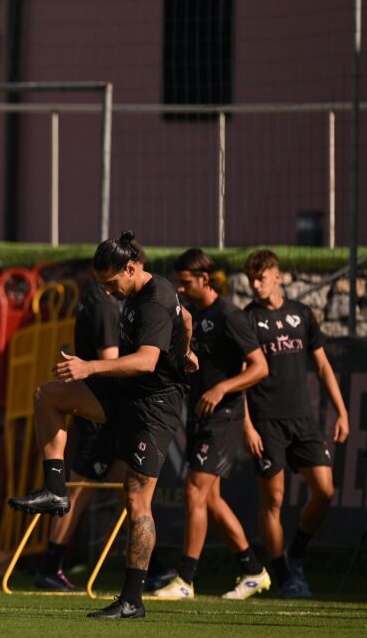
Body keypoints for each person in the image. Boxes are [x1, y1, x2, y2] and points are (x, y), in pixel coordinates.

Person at [7, 231, 194, 620]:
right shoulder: (139, 293)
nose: (108, 291)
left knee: (135, 500)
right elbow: (187, 317)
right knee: (49, 395)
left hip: (153, 408)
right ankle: (56, 489)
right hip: (125, 393)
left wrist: (89, 366)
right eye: (102, 285)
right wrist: (186, 350)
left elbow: (145, 361)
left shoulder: (155, 300)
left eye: (112, 283)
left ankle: (132, 600)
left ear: (131, 267)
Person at [149, 248, 271, 600]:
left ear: (205, 279)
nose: (181, 289)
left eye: (186, 283)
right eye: (178, 284)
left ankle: (185, 579)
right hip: (200, 416)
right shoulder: (194, 316)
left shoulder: (229, 314)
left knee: (193, 491)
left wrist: (220, 388)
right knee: (211, 500)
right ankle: (253, 570)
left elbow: (259, 367)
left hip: (224, 416)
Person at [242, 249, 350, 599]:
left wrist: (341, 411)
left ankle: (296, 554)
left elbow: (322, 367)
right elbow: (239, 377)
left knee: (325, 490)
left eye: (261, 277)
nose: (256, 285)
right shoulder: (247, 319)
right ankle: (283, 575)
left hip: (302, 420)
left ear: (278, 276)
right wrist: (246, 426)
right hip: (266, 422)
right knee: (272, 501)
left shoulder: (301, 314)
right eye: (251, 279)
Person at [36, 279, 123, 592]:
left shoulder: (94, 296)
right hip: (102, 415)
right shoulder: (103, 301)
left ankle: (150, 566)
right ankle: (50, 566)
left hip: (102, 412)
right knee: (79, 490)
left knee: (129, 485)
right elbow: (110, 359)